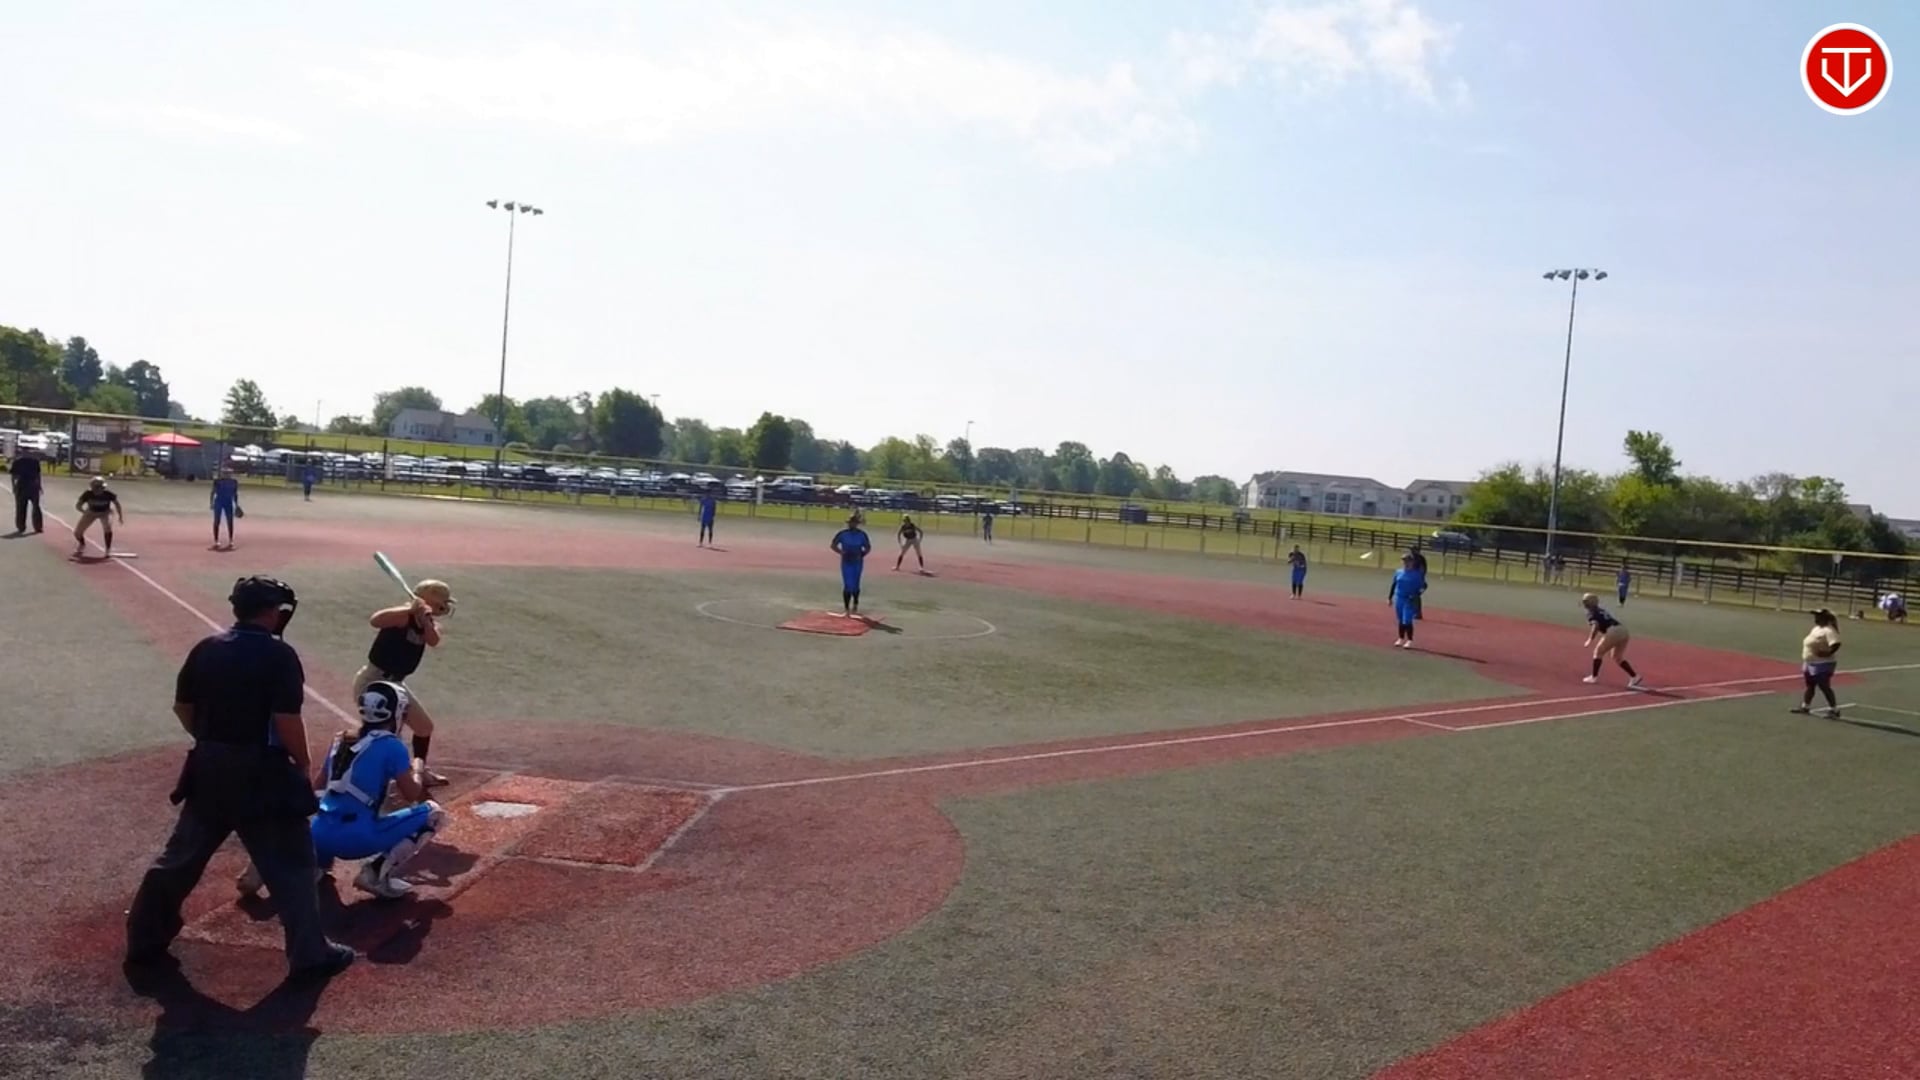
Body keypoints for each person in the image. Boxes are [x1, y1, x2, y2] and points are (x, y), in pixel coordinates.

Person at [124, 576, 355, 982]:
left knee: (179, 859)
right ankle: (310, 954)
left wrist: (212, 740)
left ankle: (144, 938)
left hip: (209, 768)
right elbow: (286, 719)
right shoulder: (279, 655)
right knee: (293, 863)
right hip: (262, 772)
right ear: (273, 611)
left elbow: (183, 707)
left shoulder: (206, 648)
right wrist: (302, 761)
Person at [241, 680, 447, 900]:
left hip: (319, 832)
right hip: (356, 839)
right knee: (433, 813)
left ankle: (283, 864)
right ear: (396, 713)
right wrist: (418, 767)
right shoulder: (393, 746)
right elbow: (412, 794)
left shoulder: (341, 739)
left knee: (321, 838)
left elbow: (316, 788)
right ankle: (374, 873)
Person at [354, 580, 457, 787]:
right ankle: (362, 775)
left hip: (396, 685)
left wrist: (425, 619)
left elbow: (434, 640)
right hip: (374, 681)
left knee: (424, 727)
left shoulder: (428, 623)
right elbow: (376, 620)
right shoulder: (402, 617)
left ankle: (421, 771)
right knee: (386, 735)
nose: (444, 606)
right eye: (442, 601)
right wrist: (410, 610)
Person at [1580, 592, 1644, 688]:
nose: (1585, 603)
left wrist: (1590, 639)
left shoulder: (1591, 612)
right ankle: (1634, 677)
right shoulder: (1600, 610)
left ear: (1592, 602)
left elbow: (1595, 625)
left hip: (1613, 631)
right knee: (1617, 657)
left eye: (1586, 601)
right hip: (1622, 630)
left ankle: (1593, 677)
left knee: (1598, 652)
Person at [1792, 609, 1842, 719]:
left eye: (1818, 616)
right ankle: (1805, 706)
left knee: (1824, 686)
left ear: (1825, 618)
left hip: (1823, 663)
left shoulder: (1829, 630)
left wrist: (1827, 653)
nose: (1816, 618)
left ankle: (1834, 710)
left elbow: (1836, 644)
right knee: (1810, 685)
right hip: (1810, 662)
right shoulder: (1816, 628)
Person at [831, 513, 872, 616]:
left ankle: (855, 603)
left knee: (856, 584)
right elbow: (833, 545)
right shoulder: (843, 534)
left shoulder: (862, 535)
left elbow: (868, 547)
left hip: (857, 562)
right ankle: (846, 609)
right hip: (846, 562)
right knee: (848, 584)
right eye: (850, 523)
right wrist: (841, 552)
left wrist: (862, 554)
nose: (852, 524)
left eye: (854, 523)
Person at [72, 476, 123, 557]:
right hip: (91, 512)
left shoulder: (108, 494)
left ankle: (108, 549)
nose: (99, 490)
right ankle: (82, 544)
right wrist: (84, 512)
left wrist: (120, 516)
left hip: (105, 512)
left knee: (107, 527)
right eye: (97, 488)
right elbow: (78, 505)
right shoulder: (88, 494)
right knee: (77, 532)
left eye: (101, 487)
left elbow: (117, 504)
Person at [1389, 554, 1422, 649]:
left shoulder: (1417, 574)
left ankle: (1409, 640)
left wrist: (1416, 595)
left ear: (1412, 562)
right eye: (1404, 561)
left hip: (1409, 599)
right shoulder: (1398, 572)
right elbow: (1394, 584)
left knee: (1407, 619)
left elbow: (1423, 586)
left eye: (1407, 561)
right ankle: (1400, 638)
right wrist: (1390, 597)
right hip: (1399, 598)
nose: (1405, 563)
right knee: (1400, 619)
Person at [8, 444, 42, 535]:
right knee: (27, 507)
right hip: (27, 485)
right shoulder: (30, 461)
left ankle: (24, 526)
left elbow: (38, 474)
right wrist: (14, 486)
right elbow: (13, 476)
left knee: (28, 507)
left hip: (26, 485)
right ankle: (31, 526)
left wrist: (14, 486)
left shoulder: (22, 461)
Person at [210, 467, 242, 550]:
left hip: (228, 503)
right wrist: (211, 503)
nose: (227, 475)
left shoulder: (234, 482)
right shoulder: (217, 481)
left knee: (230, 521)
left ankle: (231, 541)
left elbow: (235, 494)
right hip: (219, 502)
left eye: (229, 473)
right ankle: (216, 541)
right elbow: (213, 492)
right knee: (217, 521)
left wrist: (237, 505)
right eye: (225, 473)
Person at [1406, 545, 1429, 619]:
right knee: (1412, 596)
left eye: (1413, 550)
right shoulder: (1412, 558)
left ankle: (1418, 613)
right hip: (1413, 581)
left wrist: (1419, 579)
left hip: (1419, 582)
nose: (1411, 551)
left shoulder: (1419, 559)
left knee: (1415, 596)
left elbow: (1422, 570)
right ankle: (1415, 612)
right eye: (1411, 550)